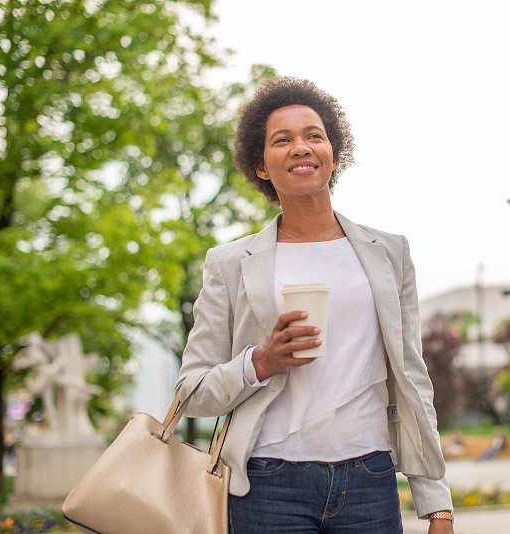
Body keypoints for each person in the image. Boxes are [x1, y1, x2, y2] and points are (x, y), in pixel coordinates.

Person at [176, 77, 453, 533]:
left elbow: (412, 377)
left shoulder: (389, 253)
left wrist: (436, 502)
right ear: (261, 167)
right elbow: (191, 392)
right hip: (267, 483)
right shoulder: (228, 264)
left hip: (370, 478)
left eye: (313, 136)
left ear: (334, 156)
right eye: (282, 140)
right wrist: (260, 362)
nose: (300, 147)